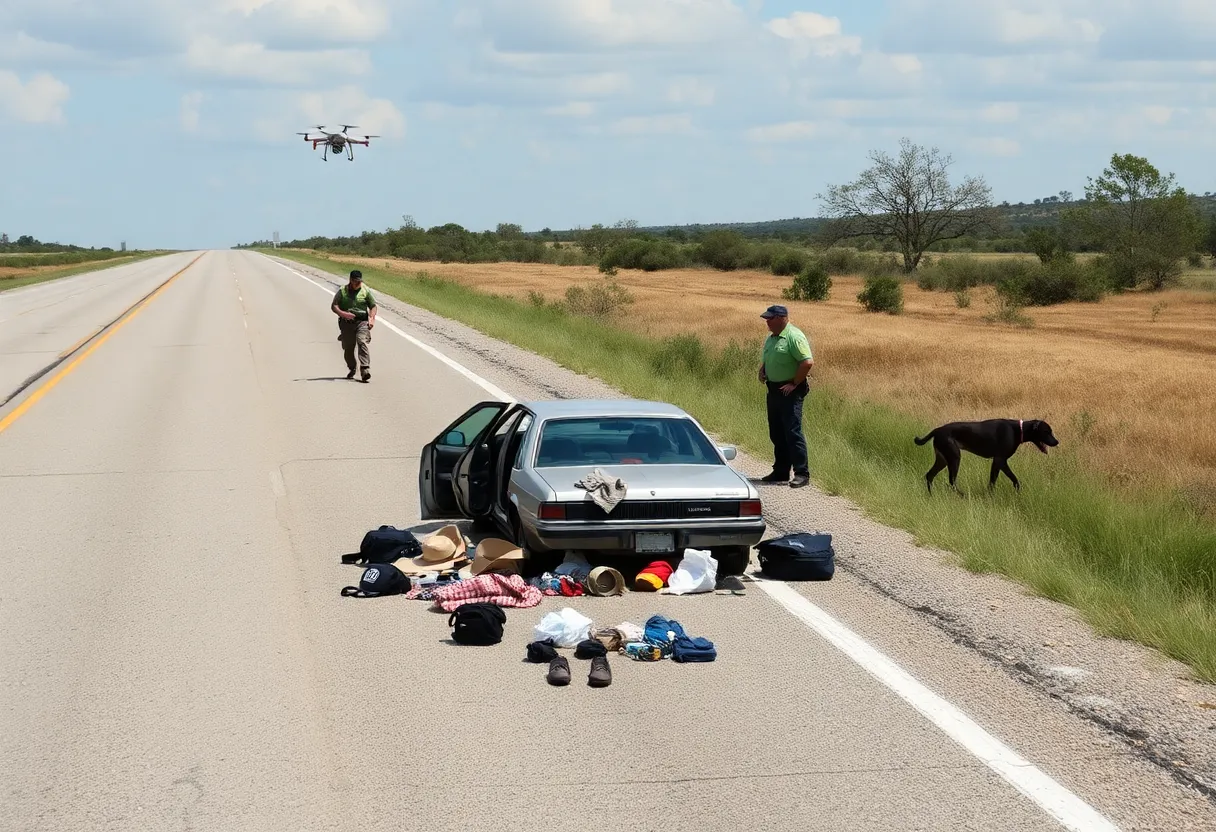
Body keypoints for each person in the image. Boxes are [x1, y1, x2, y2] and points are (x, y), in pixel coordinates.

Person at [758, 304, 813, 488]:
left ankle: (801, 473)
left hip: (789, 390)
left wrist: (795, 383)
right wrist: (763, 369)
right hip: (773, 389)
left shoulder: (794, 336)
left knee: (792, 431)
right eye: (766, 318)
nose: (767, 322)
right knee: (777, 431)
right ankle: (781, 471)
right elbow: (769, 357)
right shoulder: (772, 338)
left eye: (770, 318)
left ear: (782, 318)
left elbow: (806, 362)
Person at [331, 269, 378, 382]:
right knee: (348, 348)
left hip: (362, 322)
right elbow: (334, 306)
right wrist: (343, 314)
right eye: (355, 281)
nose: (358, 283)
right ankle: (352, 368)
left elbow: (373, 306)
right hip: (346, 323)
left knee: (362, 341)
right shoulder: (343, 291)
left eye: (359, 281)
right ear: (350, 280)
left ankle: (365, 369)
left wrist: (372, 318)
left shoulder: (365, 290)